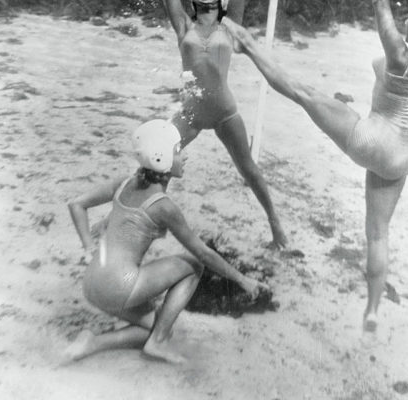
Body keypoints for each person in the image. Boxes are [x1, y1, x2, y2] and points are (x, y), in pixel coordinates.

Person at [222, 0, 408, 334]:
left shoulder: (402, 57)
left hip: (373, 137)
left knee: (302, 92)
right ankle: (371, 310)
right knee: (378, 234)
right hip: (402, 154)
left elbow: (381, 4)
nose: (407, 16)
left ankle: (248, 45)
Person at [63, 119, 268, 364]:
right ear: (162, 159)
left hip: (92, 283)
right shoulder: (163, 207)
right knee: (193, 265)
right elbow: (203, 253)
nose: (184, 157)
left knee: (157, 326)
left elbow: (77, 204)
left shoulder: (124, 183)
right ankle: (158, 343)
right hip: (117, 287)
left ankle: (92, 343)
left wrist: (88, 248)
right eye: (178, 151)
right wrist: (243, 281)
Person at [161, 0, 287, 248]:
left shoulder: (229, 28)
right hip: (190, 114)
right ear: (195, 0)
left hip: (224, 112)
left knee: (250, 170)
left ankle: (276, 227)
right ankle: (137, 216)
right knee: (156, 159)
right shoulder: (184, 28)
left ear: (221, 2)